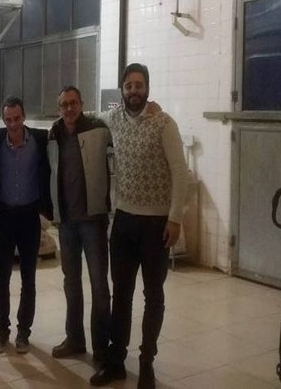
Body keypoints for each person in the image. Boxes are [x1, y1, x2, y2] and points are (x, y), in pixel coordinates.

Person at [91, 63, 190, 388]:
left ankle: (147, 362)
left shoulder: (164, 123)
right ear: (122, 89)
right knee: (121, 294)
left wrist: (175, 218)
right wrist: (62, 117)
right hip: (123, 222)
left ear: (147, 88)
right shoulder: (114, 118)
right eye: (129, 85)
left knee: (153, 295)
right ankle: (116, 361)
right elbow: (89, 115)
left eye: (139, 85)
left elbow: (180, 173)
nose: (134, 90)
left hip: (157, 225)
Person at [47, 85, 112, 370]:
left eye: (74, 103)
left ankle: (102, 348)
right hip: (67, 223)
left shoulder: (99, 128)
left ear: (82, 104)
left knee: (99, 286)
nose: (69, 108)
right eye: (64, 104)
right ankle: (75, 339)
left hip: (93, 220)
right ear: (59, 108)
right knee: (71, 283)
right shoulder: (54, 133)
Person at [0, 96, 52, 355]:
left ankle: (24, 331)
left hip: (29, 217)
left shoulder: (39, 139)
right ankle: (2, 330)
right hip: (4, 217)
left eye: (17, 118)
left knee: (28, 278)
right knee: (2, 278)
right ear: (3, 120)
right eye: (8, 119)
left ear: (24, 117)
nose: (13, 124)